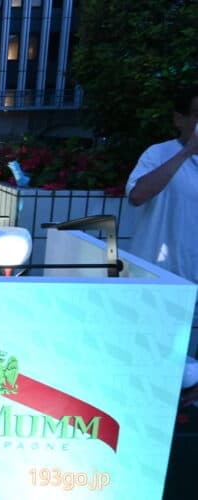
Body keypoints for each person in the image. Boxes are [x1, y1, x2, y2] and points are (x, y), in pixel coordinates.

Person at [126, 86, 198, 406]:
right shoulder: (158, 153)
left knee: (184, 369)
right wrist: (187, 152)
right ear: (179, 119)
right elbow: (137, 195)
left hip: (193, 280)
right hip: (157, 280)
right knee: (146, 361)